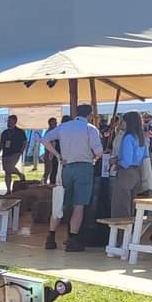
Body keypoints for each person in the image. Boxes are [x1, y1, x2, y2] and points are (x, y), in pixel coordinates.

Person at [41, 103, 103, 251]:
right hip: (84, 167)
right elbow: (99, 151)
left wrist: (57, 155)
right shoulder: (90, 129)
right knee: (79, 205)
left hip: (66, 167)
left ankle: (51, 237)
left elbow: (44, 139)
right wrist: (94, 159)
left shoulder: (64, 126)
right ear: (89, 115)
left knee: (60, 202)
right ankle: (72, 240)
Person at [111, 111, 149, 218]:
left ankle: (120, 234)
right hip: (137, 173)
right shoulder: (142, 137)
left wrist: (115, 161)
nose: (121, 123)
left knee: (121, 208)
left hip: (126, 173)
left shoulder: (128, 137)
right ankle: (130, 234)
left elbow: (126, 161)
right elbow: (145, 157)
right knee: (131, 207)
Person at [0, 115, 27, 192]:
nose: (8, 123)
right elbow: (1, 143)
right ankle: (8, 189)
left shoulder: (20, 132)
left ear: (15, 122)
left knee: (9, 167)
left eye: (10, 121)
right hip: (6, 153)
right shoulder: (5, 132)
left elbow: (25, 142)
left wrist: (21, 151)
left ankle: (20, 174)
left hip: (15, 152)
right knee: (6, 171)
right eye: (8, 121)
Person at [42, 117, 59, 185]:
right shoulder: (48, 132)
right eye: (53, 123)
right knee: (48, 169)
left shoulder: (57, 131)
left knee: (54, 169)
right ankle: (44, 182)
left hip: (55, 153)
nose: (55, 124)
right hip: (49, 152)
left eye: (55, 123)